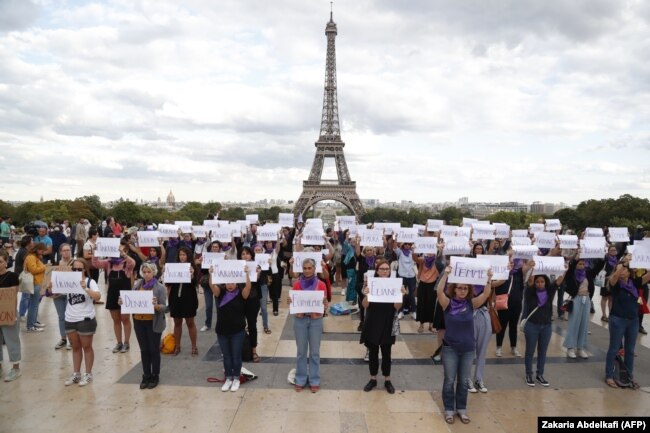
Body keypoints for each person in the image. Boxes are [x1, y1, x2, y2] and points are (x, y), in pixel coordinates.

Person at [436, 265, 492, 425]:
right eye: (459, 288)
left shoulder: (471, 304)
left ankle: (461, 409)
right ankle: (448, 409)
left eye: (465, 289)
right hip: (450, 349)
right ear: (454, 290)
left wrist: (488, 278)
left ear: (468, 291)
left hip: (468, 349)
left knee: (463, 380)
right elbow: (439, 292)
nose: (462, 291)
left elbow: (486, 293)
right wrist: (445, 275)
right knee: (449, 380)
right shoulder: (447, 304)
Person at [360, 259, 406, 394]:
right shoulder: (371, 284)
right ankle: (373, 378)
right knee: (373, 351)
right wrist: (367, 293)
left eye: (387, 269)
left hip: (388, 320)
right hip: (373, 321)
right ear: (377, 271)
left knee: (387, 353)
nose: (385, 271)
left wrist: (401, 295)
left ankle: (387, 379)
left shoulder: (394, 285)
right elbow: (365, 305)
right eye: (382, 269)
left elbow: (397, 307)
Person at [605, 263, 650, 388]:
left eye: (625, 269)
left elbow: (647, 276)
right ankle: (609, 375)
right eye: (620, 269)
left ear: (630, 272)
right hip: (618, 319)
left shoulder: (635, 283)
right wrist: (623, 264)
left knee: (630, 350)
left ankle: (628, 376)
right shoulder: (616, 284)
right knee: (614, 348)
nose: (622, 271)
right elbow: (614, 278)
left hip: (633, 320)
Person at [123, 262, 167, 389]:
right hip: (139, 321)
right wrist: (123, 301)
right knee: (144, 349)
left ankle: (155, 374)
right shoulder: (137, 285)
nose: (146, 274)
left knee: (154, 349)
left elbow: (165, 307)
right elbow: (131, 299)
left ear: (154, 272)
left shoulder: (159, 288)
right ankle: (146, 374)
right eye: (145, 272)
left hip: (152, 322)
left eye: (149, 272)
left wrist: (157, 306)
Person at [209, 264, 252, 392]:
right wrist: (211, 274)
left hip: (237, 331)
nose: (230, 285)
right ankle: (228, 378)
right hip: (222, 330)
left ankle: (237, 378)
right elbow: (212, 287)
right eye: (227, 282)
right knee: (226, 356)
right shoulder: (220, 293)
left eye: (232, 282)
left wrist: (247, 275)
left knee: (236, 355)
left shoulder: (241, 294)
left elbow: (248, 287)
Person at [288, 258, 328, 393]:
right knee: (301, 352)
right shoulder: (297, 285)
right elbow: (293, 302)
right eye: (304, 268)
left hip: (316, 321)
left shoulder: (321, 285)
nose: (307, 270)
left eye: (309, 268)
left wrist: (324, 303)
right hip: (300, 320)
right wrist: (290, 301)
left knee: (315, 352)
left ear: (314, 269)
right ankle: (300, 379)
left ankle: (314, 379)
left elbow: (325, 304)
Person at [523, 266, 567, 387]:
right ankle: (528, 374)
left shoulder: (550, 290)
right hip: (532, 325)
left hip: (546, 326)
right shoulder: (530, 292)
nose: (540, 284)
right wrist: (533, 268)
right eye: (538, 282)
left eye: (542, 281)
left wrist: (564, 269)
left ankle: (540, 374)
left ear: (545, 282)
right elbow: (530, 280)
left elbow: (559, 280)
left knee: (542, 352)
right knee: (530, 352)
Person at [63, 258, 101, 386]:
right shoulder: (67, 281)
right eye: (74, 269)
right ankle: (76, 373)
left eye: (79, 269)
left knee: (87, 347)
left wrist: (86, 289)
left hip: (85, 319)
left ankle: (88, 374)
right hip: (70, 318)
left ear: (84, 269)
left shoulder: (90, 281)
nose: (76, 271)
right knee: (75, 347)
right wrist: (51, 287)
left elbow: (98, 296)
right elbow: (53, 294)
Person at [92, 244, 136, 353]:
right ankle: (119, 342)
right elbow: (95, 264)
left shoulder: (126, 263)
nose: (118, 250)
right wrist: (95, 252)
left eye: (121, 249)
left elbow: (133, 263)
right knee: (116, 320)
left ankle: (126, 343)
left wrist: (124, 255)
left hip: (125, 295)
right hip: (112, 293)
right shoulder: (109, 263)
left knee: (125, 319)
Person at [563, 256, 603, 359]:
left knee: (584, 324)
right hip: (576, 299)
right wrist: (576, 259)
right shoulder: (571, 275)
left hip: (587, 300)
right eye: (579, 264)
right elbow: (570, 270)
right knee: (574, 324)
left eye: (583, 264)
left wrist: (603, 258)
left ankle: (580, 348)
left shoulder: (588, 274)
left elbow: (598, 268)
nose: (581, 266)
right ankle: (570, 347)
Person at [166, 246, 198, 356]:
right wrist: (166, 273)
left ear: (188, 256)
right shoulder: (173, 267)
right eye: (180, 255)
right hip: (175, 298)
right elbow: (168, 284)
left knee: (190, 322)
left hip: (189, 298)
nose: (182, 257)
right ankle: (177, 346)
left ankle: (194, 346)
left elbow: (195, 284)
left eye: (184, 254)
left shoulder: (192, 267)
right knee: (177, 322)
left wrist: (192, 274)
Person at [0, 250, 21, 381]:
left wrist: (13, 314)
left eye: (0, 261)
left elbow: (13, 296)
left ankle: (16, 368)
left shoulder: (12, 276)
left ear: (6, 262)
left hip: (8, 313)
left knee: (12, 341)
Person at [240, 246, 262, 362]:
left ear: (251, 255)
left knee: (252, 325)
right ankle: (238, 349)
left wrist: (258, 274)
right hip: (239, 300)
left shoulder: (256, 266)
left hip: (253, 300)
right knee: (238, 324)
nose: (245, 256)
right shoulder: (237, 267)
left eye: (247, 254)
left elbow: (261, 283)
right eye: (243, 254)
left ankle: (253, 350)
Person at [50, 243, 74, 350]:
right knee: (61, 317)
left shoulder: (75, 263)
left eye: (68, 250)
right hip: (58, 295)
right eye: (64, 250)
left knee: (70, 317)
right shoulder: (56, 264)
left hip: (70, 294)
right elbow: (49, 279)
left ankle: (72, 340)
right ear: (60, 252)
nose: (66, 252)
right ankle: (63, 338)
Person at [23, 242, 47, 332]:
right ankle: (30, 326)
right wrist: (44, 267)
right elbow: (33, 270)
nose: (42, 252)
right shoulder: (31, 257)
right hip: (34, 283)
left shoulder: (34, 257)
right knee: (33, 305)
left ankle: (33, 322)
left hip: (37, 283)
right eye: (41, 250)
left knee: (35, 305)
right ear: (37, 249)